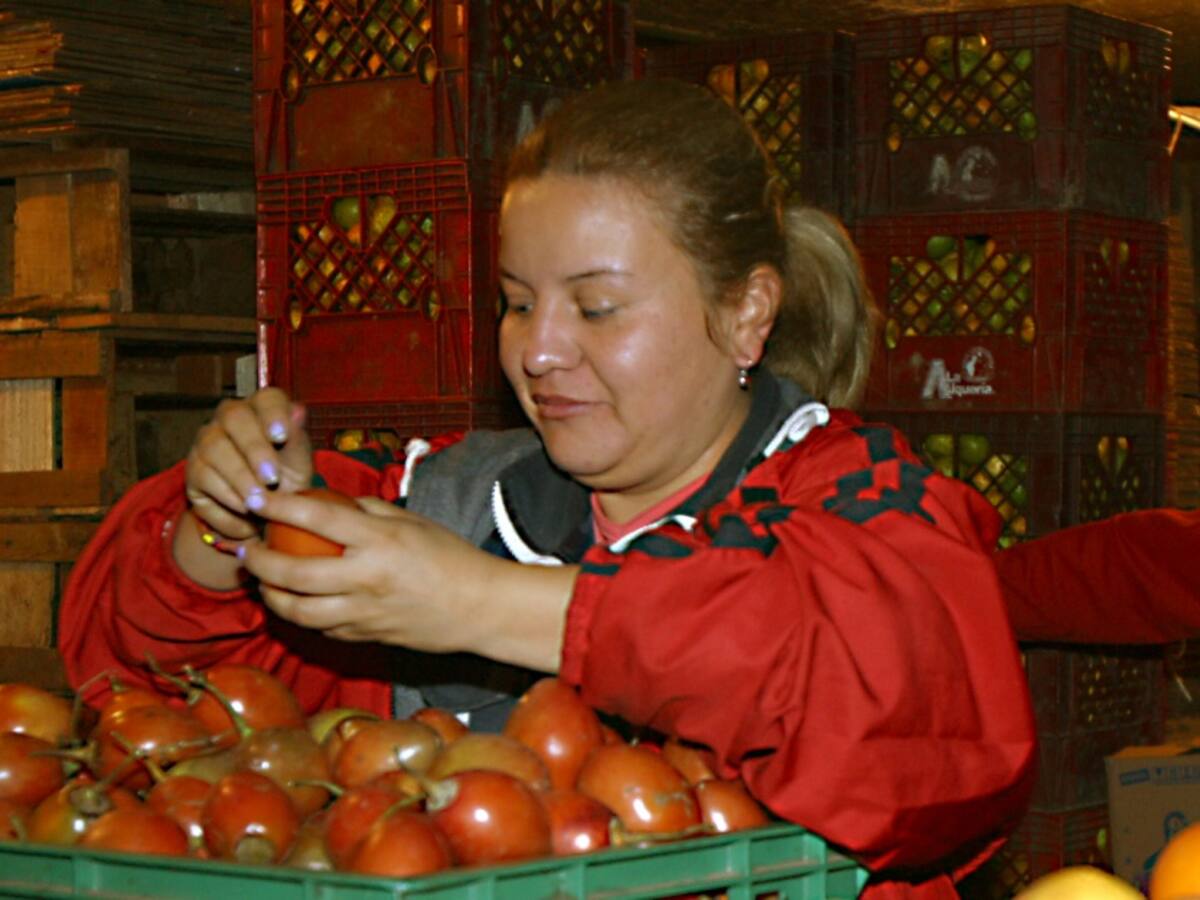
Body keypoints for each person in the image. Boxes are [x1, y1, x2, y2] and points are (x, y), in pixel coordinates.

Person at [56, 78, 1195, 896]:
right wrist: (221, 536)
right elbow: (176, 718)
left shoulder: (860, 506)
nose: (538, 352)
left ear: (747, 312)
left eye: (596, 308)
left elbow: (911, 718)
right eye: (515, 301)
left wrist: (494, 609)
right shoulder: (449, 501)